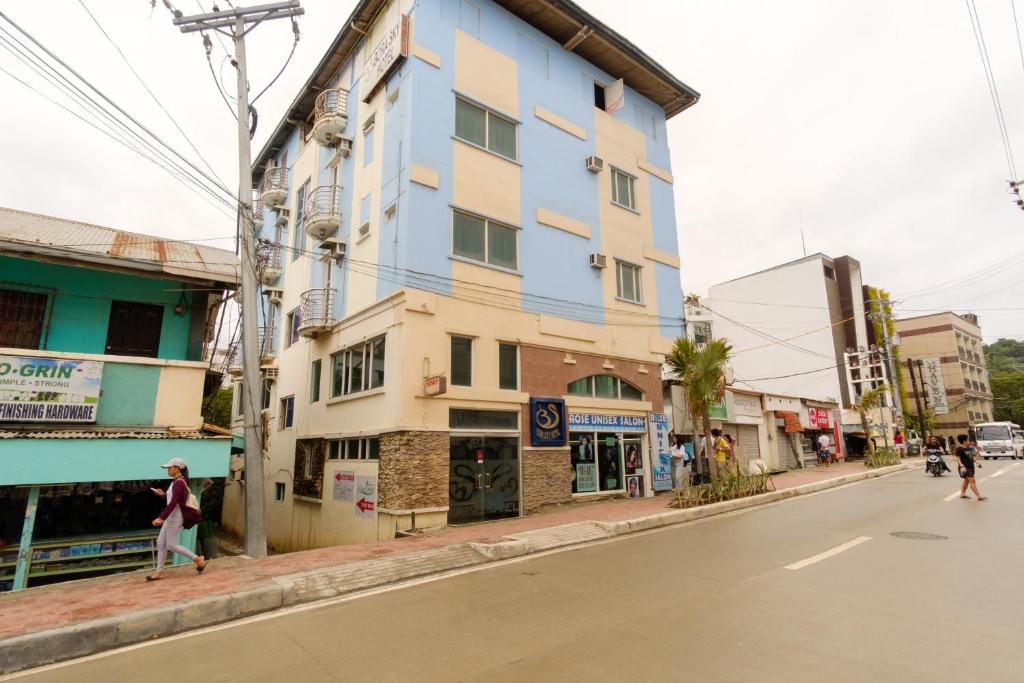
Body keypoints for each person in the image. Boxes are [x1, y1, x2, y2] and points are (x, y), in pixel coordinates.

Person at [147, 457, 206, 581]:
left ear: (178, 468)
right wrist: (163, 494)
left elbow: (174, 503)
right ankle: (160, 571)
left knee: (172, 545)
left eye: (170, 467)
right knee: (161, 542)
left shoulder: (179, 482)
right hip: (172, 515)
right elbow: (173, 500)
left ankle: (198, 559)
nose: (168, 470)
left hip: (175, 515)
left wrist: (161, 517)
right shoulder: (178, 481)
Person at [956, 434, 987, 500]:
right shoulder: (959, 449)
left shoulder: (970, 448)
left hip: (971, 467)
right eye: (968, 439)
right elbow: (958, 458)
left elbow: (972, 458)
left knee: (966, 480)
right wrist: (961, 465)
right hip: (964, 467)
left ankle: (962, 493)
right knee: (972, 480)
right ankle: (978, 496)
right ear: (964, 441)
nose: (969, 441)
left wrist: (977, 462)